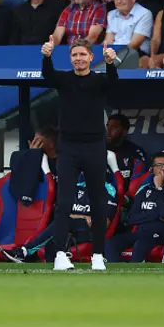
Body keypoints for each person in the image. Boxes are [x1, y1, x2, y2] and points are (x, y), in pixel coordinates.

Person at [40, 36, 118, 271]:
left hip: (94, 147)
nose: (79, 59)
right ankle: (61, 255)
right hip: (69, 148)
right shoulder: (64, 79)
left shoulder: (99, 80)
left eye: (83, 54)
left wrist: (111, 63)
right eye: (75, 55)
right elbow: (48, 76)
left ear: (91, 57)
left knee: (97, 202)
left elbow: (113, 84)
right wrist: (46, 56)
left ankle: (97, 255)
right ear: (70, 58)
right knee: (64, 203)